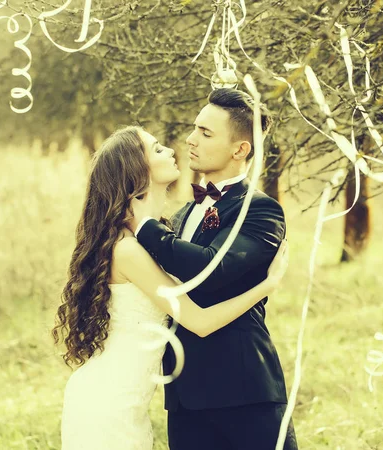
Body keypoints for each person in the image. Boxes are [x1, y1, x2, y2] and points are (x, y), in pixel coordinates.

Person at [53, 125, 289, 450]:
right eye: (157, 148)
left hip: (124, 403)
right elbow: (199, 321)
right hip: (108, 406)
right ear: (137, 169)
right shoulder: (128, 250)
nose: (171, 150)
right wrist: (267, 285)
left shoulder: (155, 235)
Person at [130, 88, 298, 450]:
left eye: (206, 133)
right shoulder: (184, 213)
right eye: (194, 129)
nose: (190, 140)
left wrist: (143, 225)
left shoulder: (261, 211)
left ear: (240, 149)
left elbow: (209, 269)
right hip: (185, 398)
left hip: (244, 392)